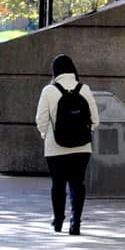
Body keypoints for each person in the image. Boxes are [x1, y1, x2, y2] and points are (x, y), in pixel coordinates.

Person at [36, 54, 100, 235]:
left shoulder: (49, 90)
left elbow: (40, 119)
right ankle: (76, 222)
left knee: (58, 184)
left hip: (55, 148)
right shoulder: (84, 89)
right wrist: (87, 133)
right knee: (77, 183)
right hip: (82, 147)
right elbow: (95, 119)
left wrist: (45, 135)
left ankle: (58, 220)